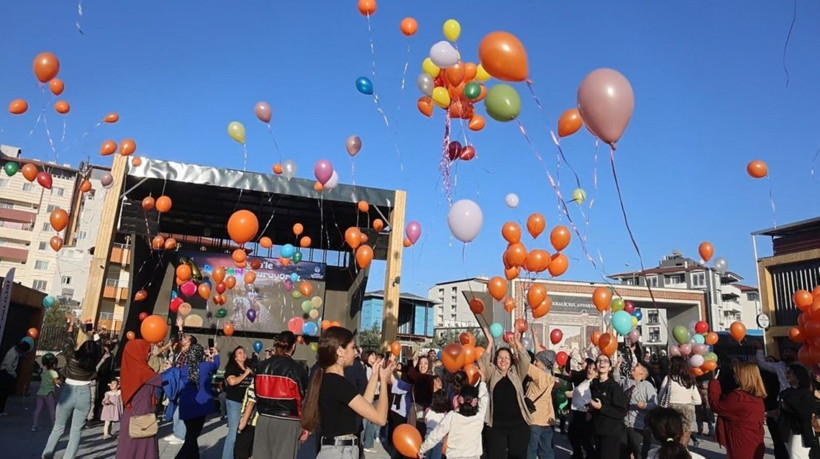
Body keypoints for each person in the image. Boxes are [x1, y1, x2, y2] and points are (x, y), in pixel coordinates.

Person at [301, 326, 394, 458]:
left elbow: (363, 407)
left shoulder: (329, 380)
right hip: (340, 452)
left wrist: (374, 376)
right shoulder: (339, 384)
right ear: (340, 351)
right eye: (352, 348)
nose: (356, 352)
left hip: (335, 450)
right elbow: (380, 419)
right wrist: (383, 380)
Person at [42, 315, 104, 459]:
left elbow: (68, 342)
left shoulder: (72, 357)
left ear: (81, 349)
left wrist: (71, 324)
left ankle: (47, 455)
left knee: (58, 428)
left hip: (68, 392)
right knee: (76, 431)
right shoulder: (95, 359)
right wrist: (93, 331)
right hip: (84, 393)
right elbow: (99, 346)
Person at [477, 316, 532, 459]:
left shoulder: (516, 373)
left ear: (511, 360)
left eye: (507, 358)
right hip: (495, 426)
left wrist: (517, 344)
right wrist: (490, 343)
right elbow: (482, 365)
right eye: (500, 357)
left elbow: (526, 360)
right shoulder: (492, 373)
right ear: (495, 360)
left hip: (518, 425)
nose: (503, 360)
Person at [251, 331, 309, 459]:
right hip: (287, 421)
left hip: (264, 418)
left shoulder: (261, 366)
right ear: (293, 346)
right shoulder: (296, 369)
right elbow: (301, 399)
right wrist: (304, 424)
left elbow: (256, 393)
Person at [707, 361, 766, 459]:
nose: (734, 376)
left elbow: (716, 406)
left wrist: (714, 383)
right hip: (755, 438)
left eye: (736, 374)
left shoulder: (738, 397)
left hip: (741, 441)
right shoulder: (757, 397)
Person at [116, 339, 163, 459]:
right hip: (141, 415)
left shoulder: (130, 366)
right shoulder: (142, 370)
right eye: (147, 351)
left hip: (131, 414)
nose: (149, 353)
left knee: (128, 449)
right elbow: (161, 380)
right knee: (141, 449)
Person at [419, 383, 489, 458]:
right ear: (476, 401)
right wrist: (483, 382)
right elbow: (484, 398)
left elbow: (436, 435)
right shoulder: (479, 416)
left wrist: (422, 449)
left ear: (459, 399)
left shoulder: (452, 416)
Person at [176, 343, 220, 459]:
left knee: (191, 434)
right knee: (192, 437)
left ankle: (195, 456)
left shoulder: (184, 369)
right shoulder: (205, 366)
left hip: (186, 405)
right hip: (200, 406)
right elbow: (216, 365)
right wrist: (215, 354)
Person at [589, 354, 628, 459]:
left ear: (610, 367)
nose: (602, 362)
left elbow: (622, 411)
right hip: (598, 430)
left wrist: (601, 408)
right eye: (599, 360)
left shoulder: (614, 387)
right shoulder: (594, 385)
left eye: (605, 361)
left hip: (611, 432)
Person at [660, 356, 701, 447]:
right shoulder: (690, 379)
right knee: (686, 434)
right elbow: (698, 400)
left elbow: (661, 395)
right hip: (687, 409)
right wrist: (687, 402)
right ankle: (683, 450)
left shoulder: (668, 378)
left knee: (672, 434)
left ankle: (672, 451)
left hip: (671, 409)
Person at [221, 346, 254, 459]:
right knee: (233, 432)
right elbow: (232, 382)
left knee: (245, 432)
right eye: (239, 353)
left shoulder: (249, 368)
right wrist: (245, 374)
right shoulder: (232, 368)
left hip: (247, 404)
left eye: (244, 352)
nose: (243, 354)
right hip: (235, 402)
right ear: (235, 357)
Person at [778, 364, 816, 459]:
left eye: (789, 372)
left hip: (800, 430)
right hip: (788, 428)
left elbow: (806, 413)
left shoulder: (805, 393)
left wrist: (788, 408)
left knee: (797, 455)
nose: (787, 375)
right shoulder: (786, 392)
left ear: (797, 375)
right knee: (792, 455)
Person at [526, 348, 557, 459]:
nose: (534, 363)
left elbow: (525, 363)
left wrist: (516, 346)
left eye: (537, 361)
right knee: (546, 451)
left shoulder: (539, 375)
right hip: (547, 420)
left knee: (531, 450)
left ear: (543, 365)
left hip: (535, 419)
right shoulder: (550, 376)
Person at [625, 362, 658, 459]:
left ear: (642, 373)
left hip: (640, 426)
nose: (633, 366)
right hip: (624, 424)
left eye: (637, 366)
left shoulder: (647, 385)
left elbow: (655, 403)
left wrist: (645, 405)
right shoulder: (626, 381)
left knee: (640, 454)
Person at [567, 360, 597, 459]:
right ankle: (577, 454)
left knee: (584, 439)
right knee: (572, 435)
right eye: (589, 368)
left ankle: (588, 456)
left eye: (593, 369)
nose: (590, 370)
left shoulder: (594, 384)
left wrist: (590, 411)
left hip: (585, 414)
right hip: (577, 412)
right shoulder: (585, 380)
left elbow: (596, 398)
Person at [0, 338, 32, 415]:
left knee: (4, 394)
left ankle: (1, 410)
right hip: (6, 373)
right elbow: (8, 365)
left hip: (7, 373)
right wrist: (13, 374)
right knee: (3, 393)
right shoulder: (12, 353)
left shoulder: (14, 351)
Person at [32, 353, 60, 431]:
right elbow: (56, 382)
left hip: (40, 392)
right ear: (54, 364)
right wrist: (59, 382)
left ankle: (34, 425)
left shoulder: (43, 372)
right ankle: (53, 425)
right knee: (52, 410)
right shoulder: (54, 373)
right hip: (49, 393)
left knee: (38, 409)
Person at [422, 389, 450, 459]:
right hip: (438, 442)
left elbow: (425, 422)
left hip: (427, 439)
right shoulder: (445, 415)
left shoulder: (428, 410)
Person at [236, 379, 259, 459]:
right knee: (251, 450)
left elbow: (251, 403)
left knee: (242, 452)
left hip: (250, 422)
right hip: (256, 422)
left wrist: (243, 422)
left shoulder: (255, 385)